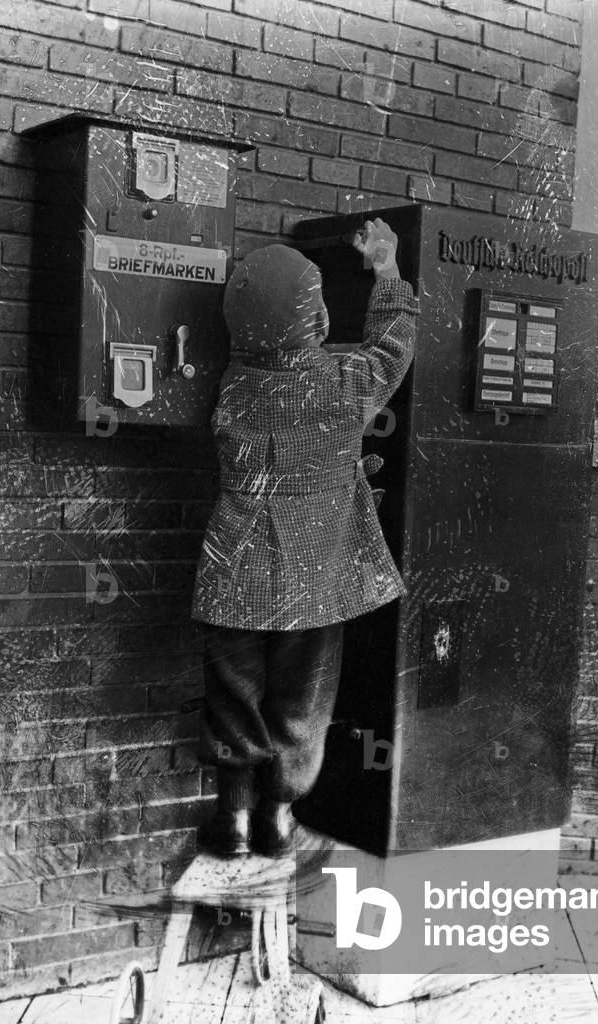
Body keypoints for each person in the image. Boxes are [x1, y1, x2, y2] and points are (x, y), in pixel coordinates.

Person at [190, 218, 418, 857]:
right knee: (302, 703)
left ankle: (231, 821)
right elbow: (393, 346)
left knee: (234, 699)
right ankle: (278, 818)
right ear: (311, 315)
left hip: (231, 569)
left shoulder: (233, 384)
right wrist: (388, 271)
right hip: (311, 578)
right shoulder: (339, 384)